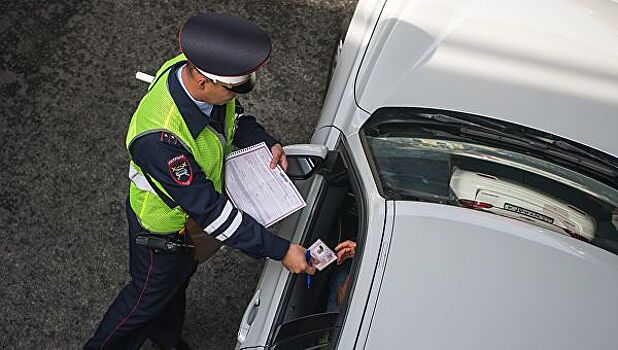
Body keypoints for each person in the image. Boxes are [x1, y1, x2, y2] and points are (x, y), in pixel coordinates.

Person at [84, 12, 314, 350]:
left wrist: (263, 140)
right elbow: (213, 212)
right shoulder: (160, 140)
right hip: (161, 235)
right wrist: (281, 251)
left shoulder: (190, 70)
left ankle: (168, 341)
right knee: (141, 302)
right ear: (204, 82)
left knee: (172, 288)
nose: (236, 97)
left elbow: (233, 117)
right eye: (232, 90)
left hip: (184, 232)